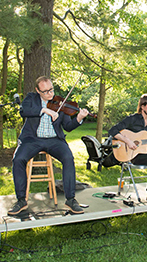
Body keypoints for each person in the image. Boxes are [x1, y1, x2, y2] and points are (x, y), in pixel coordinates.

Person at [9, 76, 89, 216]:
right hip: (32, 139)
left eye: (51, 90)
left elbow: (68, 126)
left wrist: (79, 118)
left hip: (54, 140)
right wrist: (44, 110)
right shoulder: (31, 98)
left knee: (68, 158)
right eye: (45, 91)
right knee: (18, 160)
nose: (50, 94)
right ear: (37, 90)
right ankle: (21, 200)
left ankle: (70, 199)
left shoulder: (60, 102)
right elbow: (24, 111)